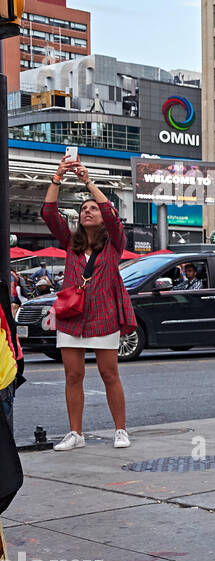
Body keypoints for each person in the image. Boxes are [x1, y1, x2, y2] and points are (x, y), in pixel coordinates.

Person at [40, 158, 134, 451]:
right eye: (83, 209)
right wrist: (58, 176)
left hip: (104, 315)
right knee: (73, 375)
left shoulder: (115, 243)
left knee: (109, 374)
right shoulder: (70, 243)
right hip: (71, 315)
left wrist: (87, 182)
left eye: (92, 208)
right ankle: (75, 434)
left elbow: (112, 213)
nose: (88, 211)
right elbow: (49, 213)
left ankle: (120, 430)